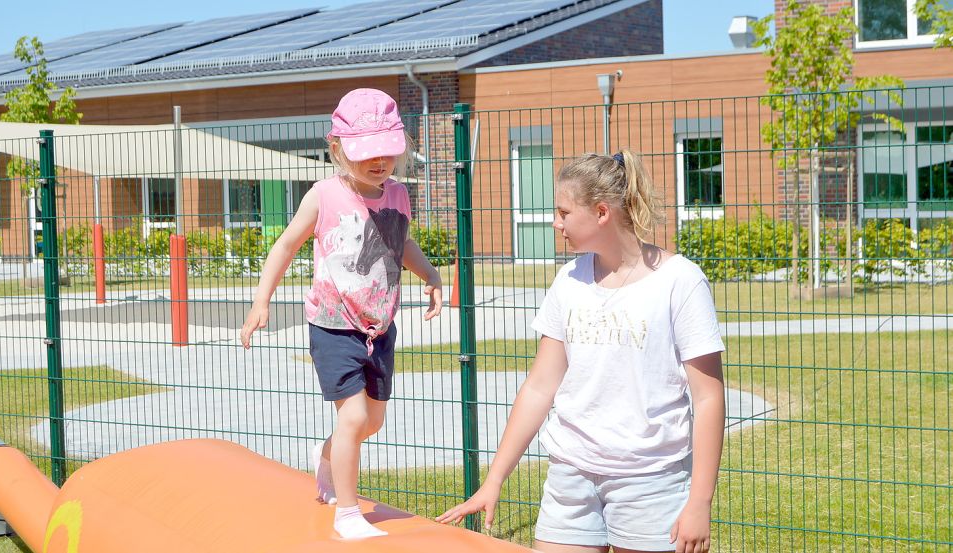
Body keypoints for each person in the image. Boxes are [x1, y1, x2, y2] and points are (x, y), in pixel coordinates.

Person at [436, 151, 725, 553]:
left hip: (650, 482)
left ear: (602, 212)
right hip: (570, 478)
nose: (556, 223)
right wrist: (494, 480)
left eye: (564, 212)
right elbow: (539, 387)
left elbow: (709, 398)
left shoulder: (681, 281)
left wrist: (699, 502)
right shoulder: (568, 281)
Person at [240, 88, 443, 539]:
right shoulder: (324, 195)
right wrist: (261, 300)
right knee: (352, 417)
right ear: (338, 149)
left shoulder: (398, 196)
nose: (379, 163)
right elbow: (286, 244)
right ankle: (348, 514)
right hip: (333, 325)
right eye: (367, 154)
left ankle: (328, 456)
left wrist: (430, 274)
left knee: (371, 421)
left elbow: (401, 242)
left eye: (387, 154)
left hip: (379, 325)